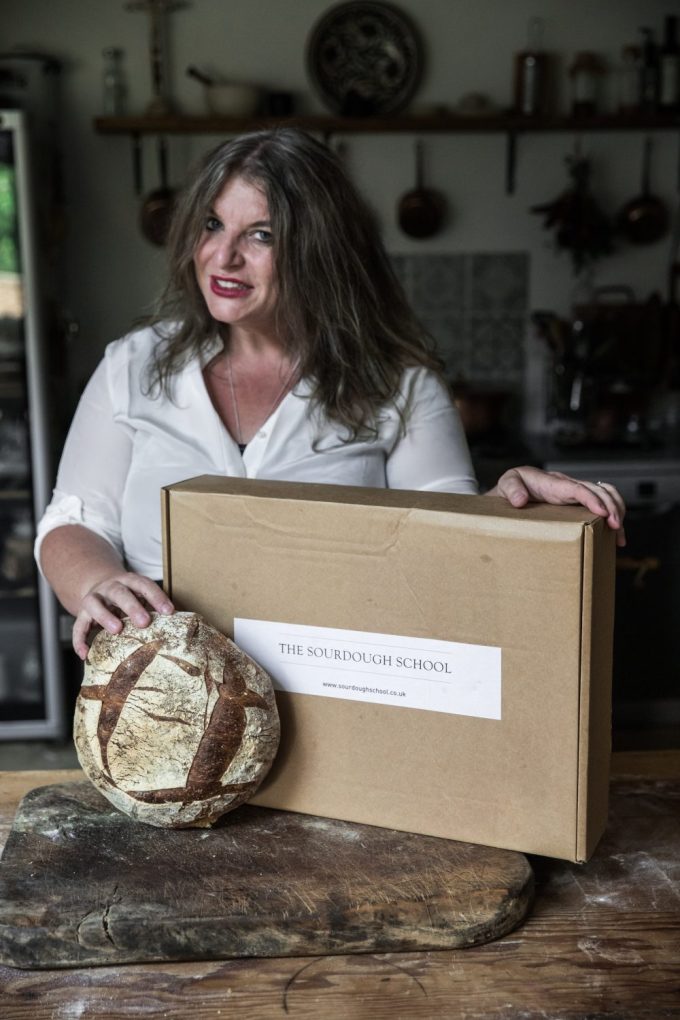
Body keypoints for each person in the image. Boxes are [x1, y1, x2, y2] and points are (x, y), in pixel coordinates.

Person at [36, 128, 625, 661]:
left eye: (260, 234)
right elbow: (72, 523)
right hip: (159, 708)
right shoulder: (134, 365)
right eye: (212, 224)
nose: (223, 255)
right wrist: (96, 582)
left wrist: (514, 503)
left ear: (319, 248)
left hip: (339, 709)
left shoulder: (400, 383)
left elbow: (453, 549)